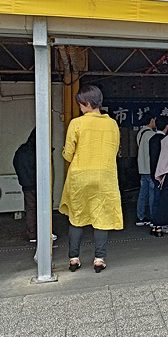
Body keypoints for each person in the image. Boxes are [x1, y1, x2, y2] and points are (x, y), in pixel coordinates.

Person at [59, 84, 123, 273]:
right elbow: (114, 150)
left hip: (80, 176)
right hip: (104, 176)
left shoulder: (77, 123)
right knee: (101, 218)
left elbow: (68, 153)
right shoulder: (111, 123)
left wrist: (68, 154)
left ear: (87, 103)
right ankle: (99, 259)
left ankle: (73, 258)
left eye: (80, 104)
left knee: (76, 218)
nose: (80, 107)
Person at [13, 128, 58, 243]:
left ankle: (32, 234)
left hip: (27, 185)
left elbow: (16, 164)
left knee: (30, 209)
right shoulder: (40, 151)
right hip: (41, 184)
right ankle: (46, 233)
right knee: (45, 209)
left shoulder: (21, 151)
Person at [135, 111, 157, 227]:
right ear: (152, 120)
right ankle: (153, 217)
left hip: (142, 168)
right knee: (152, 193)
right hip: (150, 168)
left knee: (143, 193)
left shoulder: (140, 133)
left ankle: (140, 216)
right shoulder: (151, 135)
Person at [148, 114, 168, 224]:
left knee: (155, 197)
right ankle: (161, 220)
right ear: (167, 127)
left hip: (153, 172)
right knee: (163, 198)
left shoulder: (152, 139)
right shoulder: (166, 140)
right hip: (163, 173)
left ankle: (154, 220)